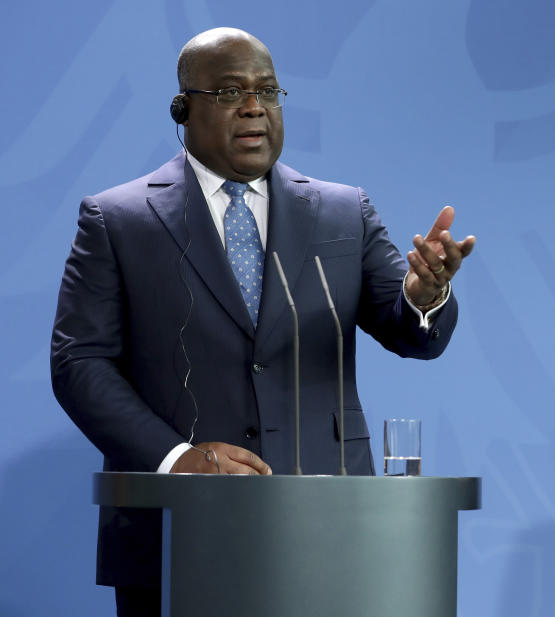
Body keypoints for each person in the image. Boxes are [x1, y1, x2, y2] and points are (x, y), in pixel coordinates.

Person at [50, 27, 475, 616]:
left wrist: (426, 293)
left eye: (268, 91)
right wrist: (179, 460)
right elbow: (79, 365)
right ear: (184, 108)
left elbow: (411, 333)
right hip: (179, 533)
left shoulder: (343, 210)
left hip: (334, 529)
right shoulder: (118, 219)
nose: (254, 106)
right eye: (229, 92)